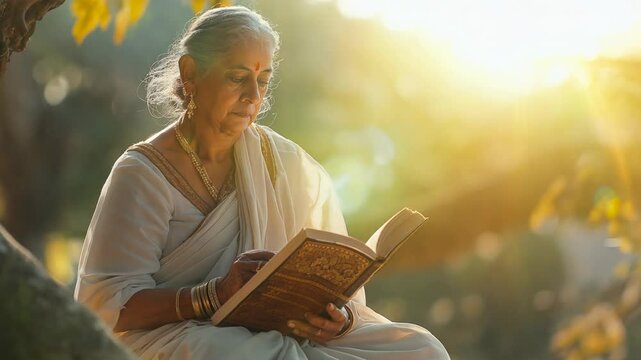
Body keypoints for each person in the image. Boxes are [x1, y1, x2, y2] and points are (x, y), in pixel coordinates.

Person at [74, 6, 450, 360]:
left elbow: (325, 282)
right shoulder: (143, 174)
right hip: (183, 334)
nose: (253, 97)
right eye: (238, 78)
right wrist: (213, 295)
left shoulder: (280, 161)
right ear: (190, 74)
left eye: (263, 80)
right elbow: (106, 305)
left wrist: (338, 317)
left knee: (419, 349)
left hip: (279, 332)